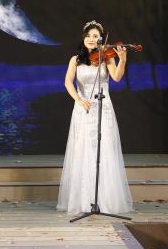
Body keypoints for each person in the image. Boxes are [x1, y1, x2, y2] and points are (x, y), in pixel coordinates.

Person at [57, 20, 133, 215]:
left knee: (104, 149)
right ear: (83, 38)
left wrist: (122, 59)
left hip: (103, 107)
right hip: (83, 108)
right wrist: (79, 100)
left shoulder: (107, 58)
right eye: (89, 35)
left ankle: (103, 200)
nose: (92, 39)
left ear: (101, 40)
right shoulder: (75, 59)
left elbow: (116, 78)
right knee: (84, 150)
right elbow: (68, 82)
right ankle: (84, 200)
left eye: (96, 36)